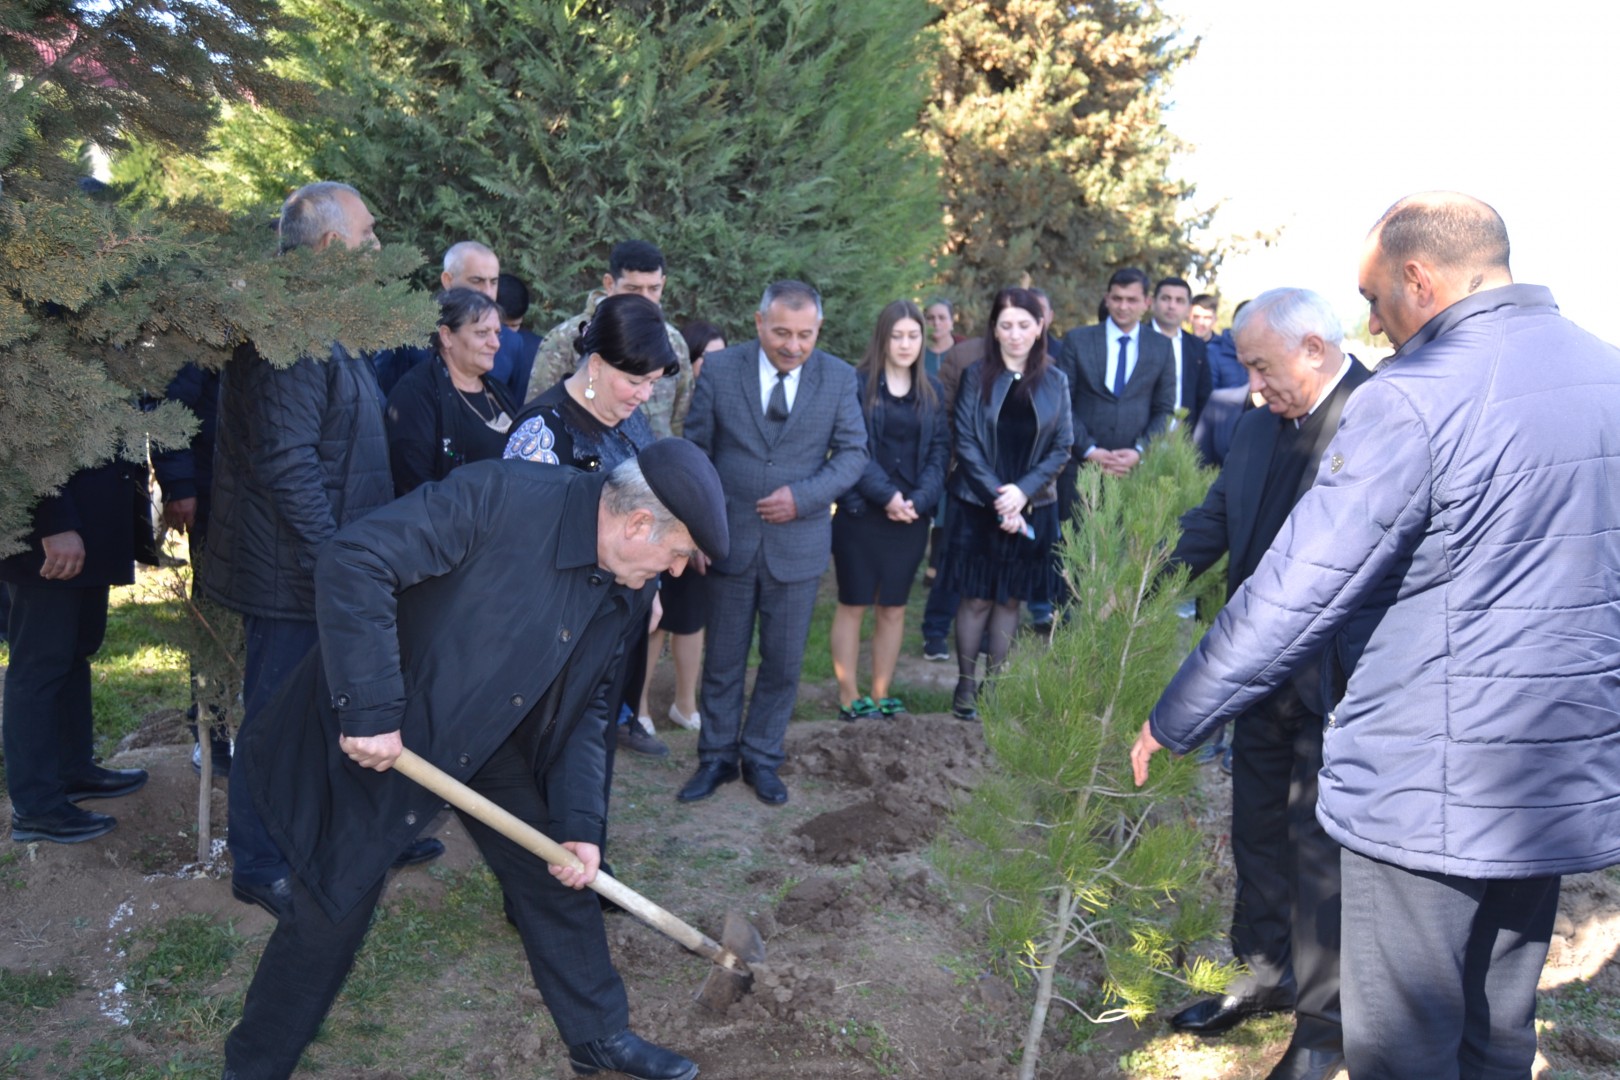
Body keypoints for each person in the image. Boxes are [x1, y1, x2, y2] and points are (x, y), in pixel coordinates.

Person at [1130, 192, 1620, 1080]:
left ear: (1419, 278)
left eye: (1372, 297)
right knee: (1496, 1033)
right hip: (1550, 781)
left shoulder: (1413, 397)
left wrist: (1177, 715)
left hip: (1428, 791)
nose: (1371, 322)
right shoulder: (1607, 374)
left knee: (1404, 1046)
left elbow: (1296, 588)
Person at [221, 442, 725, 1080]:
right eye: (677, 554)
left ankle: (599, 1036)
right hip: (390, 731)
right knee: (333, 905)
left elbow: (589, 710)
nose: (676, 571)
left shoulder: (622, 591)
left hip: (483, 738)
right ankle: (253, 1067)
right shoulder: (498, 498)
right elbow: (355, 558)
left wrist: (578, 824)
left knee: (556, 871)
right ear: (636, 526)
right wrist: (372, 708)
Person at [204, 181, 438, 918]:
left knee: (345, 707)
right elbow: (286, 462)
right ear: (333, 247)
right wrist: (336, 556)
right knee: (277, 717)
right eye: (368, 236)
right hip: (293, 572)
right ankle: (262, 861)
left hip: (329, 566)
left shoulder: (323, 323)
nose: (376, 247)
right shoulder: (290, 336)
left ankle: (357, 838)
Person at [1161, 288, 1371, 1080]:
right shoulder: (1253, 426)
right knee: (1255, 828)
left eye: (1260, 365)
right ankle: (1260, 973)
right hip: (1260, 676)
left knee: (1319, 852)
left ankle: (1323, 1031)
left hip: (1343, 681)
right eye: (1246, 366)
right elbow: (1216, 523)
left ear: (1312, 347)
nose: (1251, 383)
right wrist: (1138, 573)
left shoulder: (1380, 416)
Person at [677, 280, 867, 806]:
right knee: (723, 660)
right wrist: (695, 530)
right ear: (759, 322)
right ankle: (715, 756)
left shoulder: (838, 377)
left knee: (783, 663)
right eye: (781, 332)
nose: (793, 345)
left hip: (798, 547)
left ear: (818, 330)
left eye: (805, 335)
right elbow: (696, 452)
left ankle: (761, 757)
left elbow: (854, 455)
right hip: (728, 542)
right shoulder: (719, 369)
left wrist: (803, 496)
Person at [506, 293, 680, 762]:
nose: (645, 394)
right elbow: (522, 552)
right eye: (635, 381)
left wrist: (653, 586)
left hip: (618, 625)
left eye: (652, 382)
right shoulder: (541, 433)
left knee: (593, 755)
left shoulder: (631, 419)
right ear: (597, 364)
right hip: (558, 642)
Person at [940, 287, 1072, 720]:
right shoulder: (976, 376)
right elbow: (965, 440)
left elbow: (1061, 445)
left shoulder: (1056, 381)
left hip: (1032, 506)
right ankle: (964, 687)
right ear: (994, 330)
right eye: (1005, 325)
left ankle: (994, 689)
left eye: (1023, 325)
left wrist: (1023, 492)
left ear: (1039, 328)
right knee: (976, 598)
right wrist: (1001, 496)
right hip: (977, 506)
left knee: (1010, 601)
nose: (1015, 334)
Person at [3, 456, 150, 843]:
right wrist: (51, 522)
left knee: (74, 652)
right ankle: (35, 806)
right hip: (51, 535)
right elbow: (21, 432)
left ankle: (72, 770)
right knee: (39, 664)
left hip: (88, 525)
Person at [829, 300, 949, 720]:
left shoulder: (933, 393)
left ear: (922, 339)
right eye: (896, 335)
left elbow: (939, 453)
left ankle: (880, 694)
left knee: (894, 606)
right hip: (862, 513)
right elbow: (853, 448)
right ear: (883, 338)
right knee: (854, 602)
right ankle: (849, 695)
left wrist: (918, 500)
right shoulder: (856, 385)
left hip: (911, 518)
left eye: (913, 335)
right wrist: (888, 497)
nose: (905, 344)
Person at [637, 319, 727, 734]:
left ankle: (684, 703)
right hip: (658, 522)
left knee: (691, 618)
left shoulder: (724, 404)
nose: (717, 365)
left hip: (699, 533)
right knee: (655, 619)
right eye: (709, 357)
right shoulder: (667, 403)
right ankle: (637, 707)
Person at [524, 240, 694, 439]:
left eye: (654, 288)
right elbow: (538, 414)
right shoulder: (564, 340)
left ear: (663, 283)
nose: (645, 298)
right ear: (609, 284)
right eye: (633, 288)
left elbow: (680, 419)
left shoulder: (674, 342)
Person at [384, 288, 516, 496]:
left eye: (497, 333)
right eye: (482, 333)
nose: (495, 344)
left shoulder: (499, 391)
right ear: (446, 336)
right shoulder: (415, 395)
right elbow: (415, 486)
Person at [372, 241, 532, 400]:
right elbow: (385, 400)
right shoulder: (410, 334)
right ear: (448, 280)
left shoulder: (512, 343)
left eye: (494, 282)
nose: (488, 292)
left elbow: (512, 412)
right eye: (477, 281)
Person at [1149, 276, 1213, 436]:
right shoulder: (1137, 339)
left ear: (1188, 308)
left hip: (1183, 438)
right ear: (1152, 302)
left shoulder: (1196, 346)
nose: (1172, 306)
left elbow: (1204, 395)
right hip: (1141, 438)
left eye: (1179, 301)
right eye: (1166, 298)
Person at [922, 297, 961, 377]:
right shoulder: (916, 352)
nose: (936, 323)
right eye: (930, 318)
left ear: (952, 322)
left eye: (942, 318)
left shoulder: (964, 350)